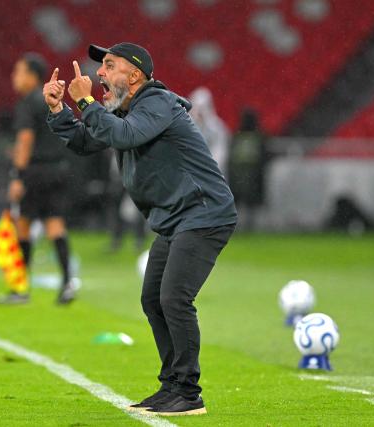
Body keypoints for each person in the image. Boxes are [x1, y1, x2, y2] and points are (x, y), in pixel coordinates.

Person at [44, 43, 237, 416]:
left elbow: (125, 136)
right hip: (177, 219)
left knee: (174, 299)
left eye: (110, 65)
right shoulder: (126, 109)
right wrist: (58, 110)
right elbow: (87, 141)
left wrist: (86, 104)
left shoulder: (157, 103)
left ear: (134, 76)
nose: (100, 72)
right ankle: (172, 387)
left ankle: (187, 391)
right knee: (153, 299)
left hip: (203, 213)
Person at [0, 52, 76, 305]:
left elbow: (25, 140)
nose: (14, 77)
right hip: (58, 169)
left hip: (35, 171)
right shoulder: (48, 100)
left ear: (32, 76)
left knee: (23, 225)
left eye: (18, 72)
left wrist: (18, 176)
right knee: (55, 225)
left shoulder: (26, 103)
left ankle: (20, 289)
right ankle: (67, 283)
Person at [228, 108, 269, 230]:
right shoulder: (260, 137)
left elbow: (230, 159)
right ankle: (249, 227)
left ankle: (238, 227)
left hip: (238, 179)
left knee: (240, 205)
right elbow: (265, 158)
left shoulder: (236, 137)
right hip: (253, 179)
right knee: (250, 206)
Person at [189, 87, 230, 177]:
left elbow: (220, 153)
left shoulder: (217, 128)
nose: (199, 112)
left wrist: (207, 168)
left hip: (212, 175)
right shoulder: (185, 127)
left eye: (202, 107)